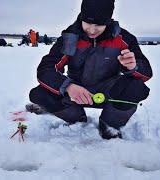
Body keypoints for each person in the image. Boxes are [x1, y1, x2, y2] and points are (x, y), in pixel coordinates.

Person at [28, 0, 152, 139]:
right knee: (39, 94)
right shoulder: (70, 38)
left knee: (136, 87)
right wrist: (68, 86)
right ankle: (76, 120)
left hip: (109, 92)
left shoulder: (124, 38)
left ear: (109, 21)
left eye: (99, 24)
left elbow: (146, 72)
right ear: (81, 17)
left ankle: (109, 125)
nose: (92, 30)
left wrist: (132, 66)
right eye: (87, 22)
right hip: (76, 93)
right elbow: (46, 69)